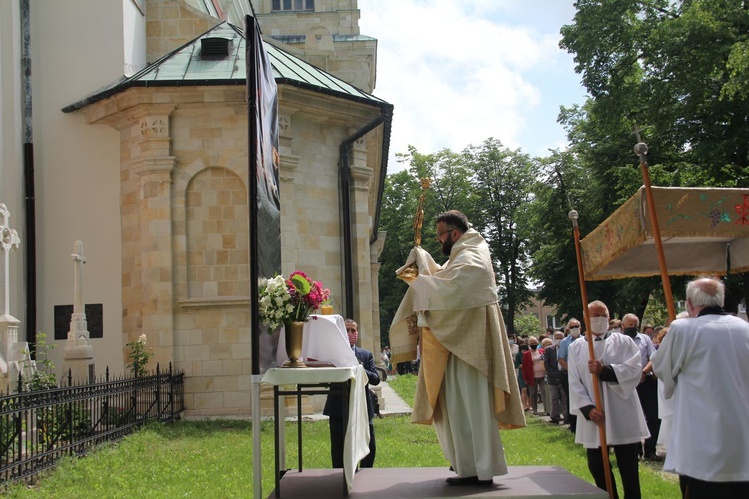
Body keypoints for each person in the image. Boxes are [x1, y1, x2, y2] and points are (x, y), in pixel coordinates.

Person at [390, 210, 525, 487]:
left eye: (440, 236)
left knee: (474, 408)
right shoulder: (460, 255)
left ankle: (484, 468)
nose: (439, 241)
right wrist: (423, 260)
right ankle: (467, 467)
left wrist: (420, 281)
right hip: (453, 346)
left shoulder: (474, 254)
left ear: (454, 233)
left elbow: (458, 286)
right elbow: (446, 278)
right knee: (455, 409)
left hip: (472, 351)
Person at [651, 277, 749, 498]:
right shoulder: (744, 328)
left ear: (688, 303)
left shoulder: (682, 328)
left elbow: (661, 367)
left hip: (702, 440)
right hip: (742, 437)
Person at [568, 301, 649, 499]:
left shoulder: (624, 342)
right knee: (597, 466)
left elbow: (634, 369)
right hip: (596, 414)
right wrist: (588, 409)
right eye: (595, 315)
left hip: (621, 408)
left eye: (603, 314)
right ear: (586, 319)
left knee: (628, 465)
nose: (599, 319)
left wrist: (605, 370)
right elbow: (573, 381)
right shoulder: (576, 347)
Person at [323, 319, 380, 468]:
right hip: (338, 407)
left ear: (357, 333)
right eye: (347, 330)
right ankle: (339, 479)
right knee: (338, 448)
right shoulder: (332, 355)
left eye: (353, 331)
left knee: (369, 446)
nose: (350, 334)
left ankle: (366, 475)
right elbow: (326, 377)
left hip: (362, 407)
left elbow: (375, 379)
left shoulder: (366, 355)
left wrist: (360, 369)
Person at [621, 313, 661, 462]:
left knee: (654, 416)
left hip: (646, 381)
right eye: (630, 325)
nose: (633, 327)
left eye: (635, 325)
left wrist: (644, 372)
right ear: (623, 326)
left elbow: (654, 357)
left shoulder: (644, 339)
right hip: (628, 383)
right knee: (632, 418)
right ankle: (635, 450)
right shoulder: (619, 341)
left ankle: (650, 450)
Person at [558, 318, 581, 431]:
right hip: (569, 374)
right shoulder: (564, 342)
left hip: (584, 375)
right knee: (571, 399)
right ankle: (573, 425)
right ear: (568, 328)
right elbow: (561, 359)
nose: (574, 328)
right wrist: (572, 371)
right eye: (572, 327)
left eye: (576, 326)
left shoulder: (586, 340)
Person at [544, 329, 567, 424]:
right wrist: (553, 374)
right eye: (557, 338)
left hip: (564, 376)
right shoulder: (549, 350)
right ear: (554, 339)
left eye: (561, 338)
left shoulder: (567, 348)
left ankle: (567, 417)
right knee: (554, 398)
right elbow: (547, 364)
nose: (559, 340)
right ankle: (554, 417)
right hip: (553, 378)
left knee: (565, 398)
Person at [521, 336, 546, 415]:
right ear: (528, 344)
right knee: (533, 393)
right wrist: (525, 378)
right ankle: (535, 410)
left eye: (535, 343)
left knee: (544, 391)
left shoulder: (542, 351)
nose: (533, 344)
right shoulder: (526, 354)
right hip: (532, 376)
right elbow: (524, 367)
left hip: (542, 375)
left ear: (538, 343)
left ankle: (546, 408)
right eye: (531, 343)